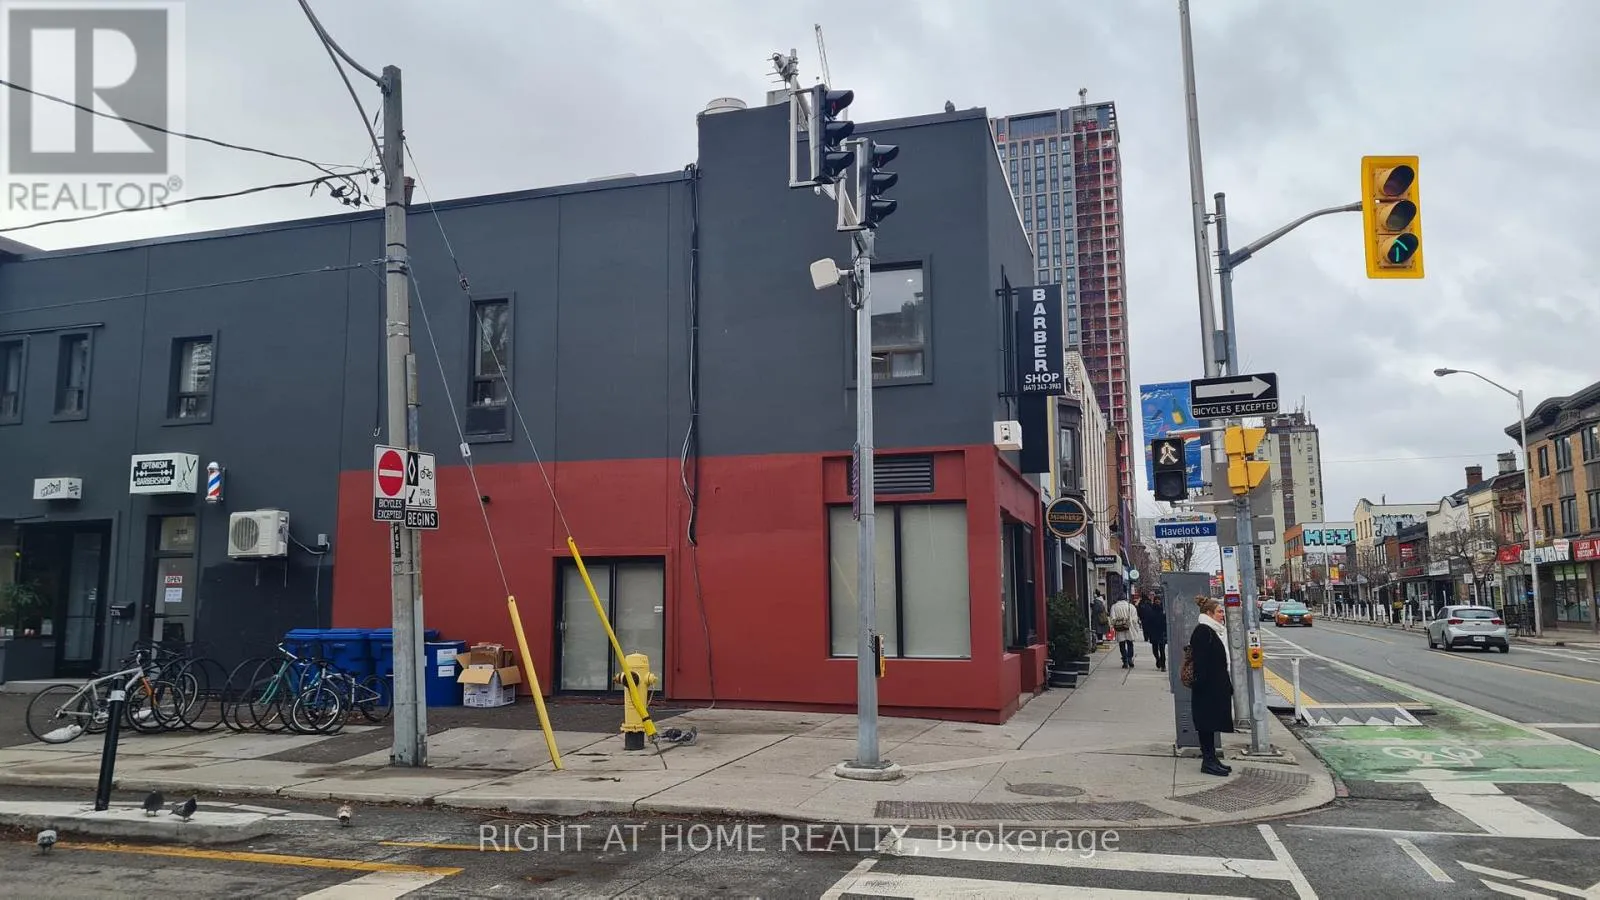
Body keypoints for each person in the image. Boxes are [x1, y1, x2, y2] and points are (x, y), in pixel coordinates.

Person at [1189, 595, 1234, 776]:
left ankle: (1212, 758)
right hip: (1207, 688)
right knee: (1206, 724)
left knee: (1211, 723)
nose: (1222, 615)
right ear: (1209, 613)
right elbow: (1201, 662)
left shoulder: (1212, 630)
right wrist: (1202, 684)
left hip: (1214, 686)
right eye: (1219, 612)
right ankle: (1208, 761)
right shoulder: (1203, 631)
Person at [1108, 592, 1143, 668]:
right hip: (1129, 627)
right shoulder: (1131, 606)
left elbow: (1112, 618)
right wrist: (1135, 628)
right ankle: (1130, 658)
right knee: (1130, 643)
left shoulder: (1114, 607)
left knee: (1122, 644)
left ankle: (1125, 660)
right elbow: (1135, 619)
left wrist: (1115, 624)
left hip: (1119, 628)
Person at [1140, 591, 1168, 671]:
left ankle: (1163, 665)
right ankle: (1158, 659)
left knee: (1162, 650)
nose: (1157, 601)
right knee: (1155, 649)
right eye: (1156, 600)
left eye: (1158, 600)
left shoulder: (1163, 611)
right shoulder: (1151, 611)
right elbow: (1148, 622)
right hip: (1154, 632)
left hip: (1161, 633)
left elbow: (1166, 623)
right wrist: (1148, 633)